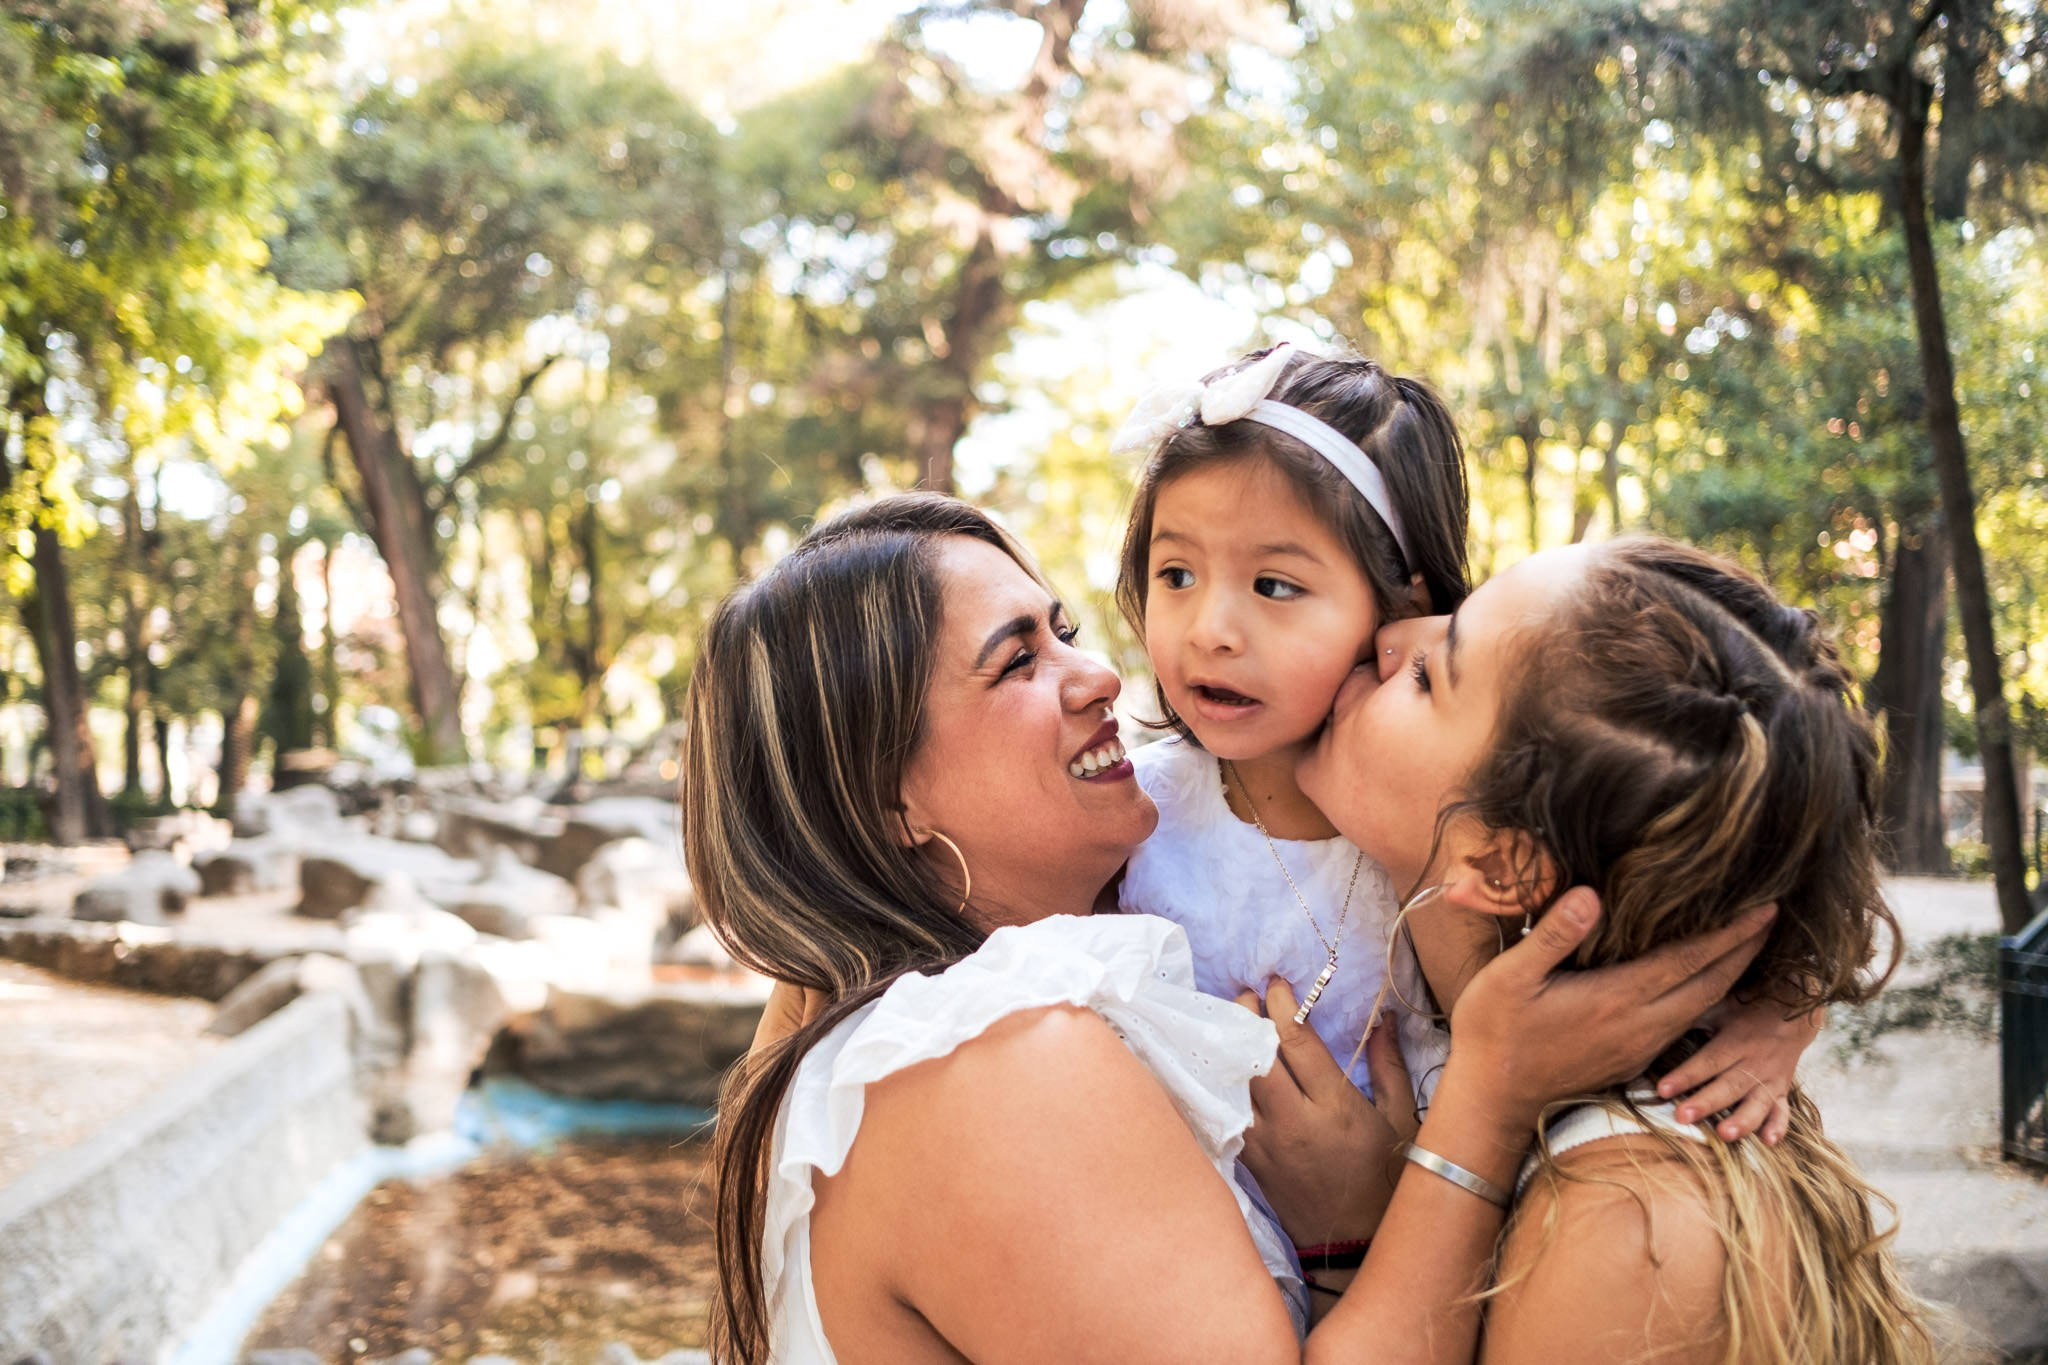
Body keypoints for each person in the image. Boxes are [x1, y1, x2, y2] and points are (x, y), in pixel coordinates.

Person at [686, 493, 1775, 1365]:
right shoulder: (991, 1065)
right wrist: (1461, 1129)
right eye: (1016, 660)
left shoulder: (978, 1013)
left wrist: (1784, 999)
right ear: (888, 803)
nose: (1103, 673)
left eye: (1063, 628)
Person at [1294, 536, 1936, 1363]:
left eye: (1430, 677)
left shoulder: (1638, 1231)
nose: (1394, 635)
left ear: (1503, 863)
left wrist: (1350, 1236)